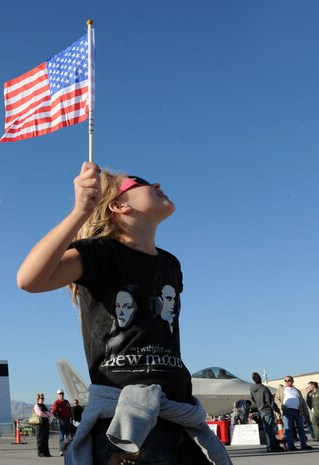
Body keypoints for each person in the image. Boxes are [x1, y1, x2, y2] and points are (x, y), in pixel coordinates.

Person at [16, 165, 229, 465]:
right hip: (126, 425)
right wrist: (80, 212)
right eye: (140, 182)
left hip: (180, 417)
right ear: (118, 205)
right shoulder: (99, 254)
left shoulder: (171, 263)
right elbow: (29, 279)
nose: (156, 182)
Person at [248, 372, 282, 453]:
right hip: (267, 410)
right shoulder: (264, 389)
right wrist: (276, 409)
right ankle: (270, 446)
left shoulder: (252, 389)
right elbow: (270, 401)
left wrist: (258, 405)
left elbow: (252, 399)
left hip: (260, 410)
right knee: (269, 430)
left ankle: (274, 445)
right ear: (260, 379)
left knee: (267, 429)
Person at [279, 375, 312, 451]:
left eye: (289, 380)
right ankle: (291, 446)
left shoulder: (296, 390)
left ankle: (303, 445)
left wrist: (306, 413)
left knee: (301, 428)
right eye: (285, 381)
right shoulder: (281, 390)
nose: (287, 382)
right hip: (287, 411)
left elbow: (303, 402)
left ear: (292, 381)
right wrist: (281, 406)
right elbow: (277, 399)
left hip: (298, 411)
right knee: (288, 429)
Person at [52, 389, 72, 453]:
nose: (61, 395)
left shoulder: (66, 402)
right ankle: (61, 450)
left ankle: (69, 449)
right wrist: (60, 420)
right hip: (61, 420)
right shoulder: (56, 403)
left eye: (62, 393)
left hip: (68, 420)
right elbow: (54, 413)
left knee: (69, 435)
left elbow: (69, 411)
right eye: (60, 394)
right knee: (62, 436)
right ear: (57, 395)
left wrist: (71, 418)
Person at [33, 393, 53, 457]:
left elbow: (51, 413)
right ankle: (40, 453)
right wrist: (47, 414)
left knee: (46, 438)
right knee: (40, 439)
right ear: (38, 399)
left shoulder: (46, 406)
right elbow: (40, 413)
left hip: (46, 424)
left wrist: (46, 413)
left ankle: (47, 453)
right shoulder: (36, 405)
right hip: (39, 424)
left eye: (43, 398)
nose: (42, 399)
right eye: (41, 398)